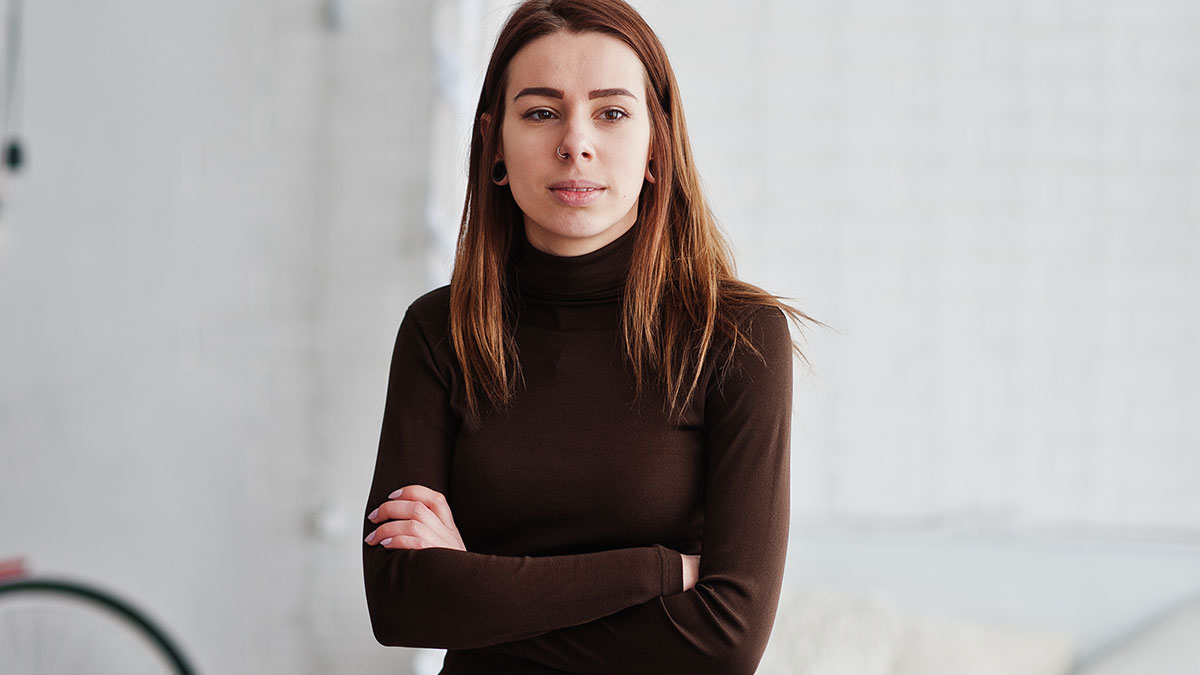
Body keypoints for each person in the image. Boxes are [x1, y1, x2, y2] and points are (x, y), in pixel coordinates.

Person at [362, 1, 816, 673]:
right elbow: (400, 605)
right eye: (541, 112)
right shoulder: (439, 331)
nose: (575, 142)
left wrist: (473, 585)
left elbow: (728, 639)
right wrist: (659, 570)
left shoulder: (737, 337)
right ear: (493, 143)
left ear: (657, 145)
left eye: (611, 113)